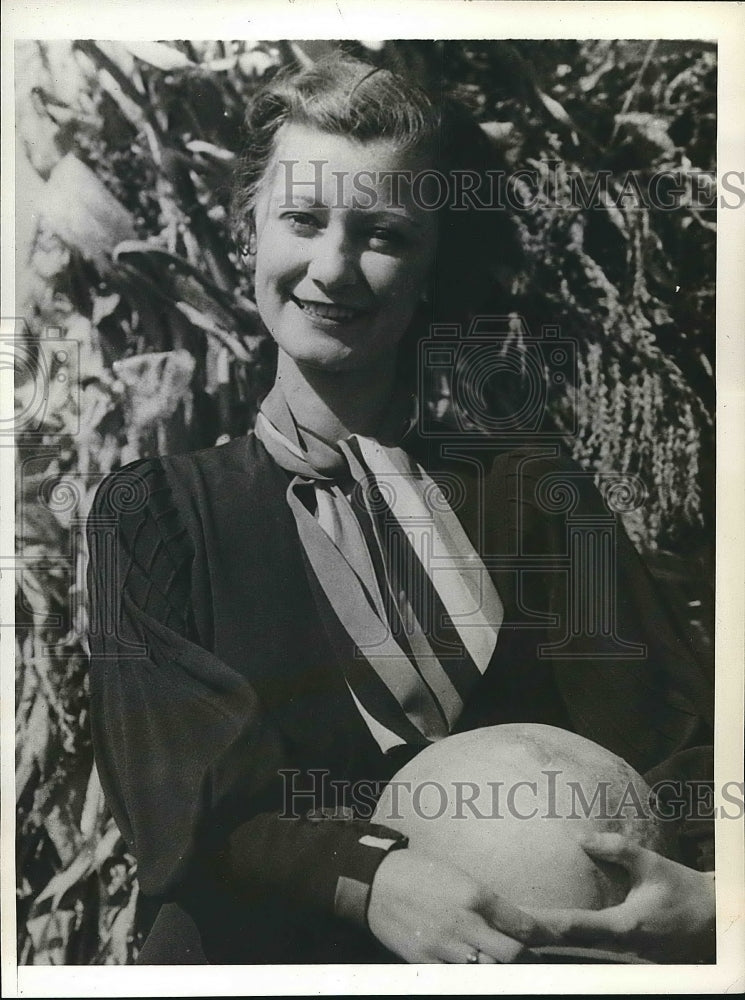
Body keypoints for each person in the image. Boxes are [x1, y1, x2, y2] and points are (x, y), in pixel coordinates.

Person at [86, 53, 715, 965]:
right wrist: (367, 874)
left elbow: (680, 738)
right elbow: (175, 793)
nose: (333, 268)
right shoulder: (156, 516)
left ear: (432, 265)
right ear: (247, 233)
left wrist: (710, 895)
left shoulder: (533, 493)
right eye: (302, 219)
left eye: (383, 235)